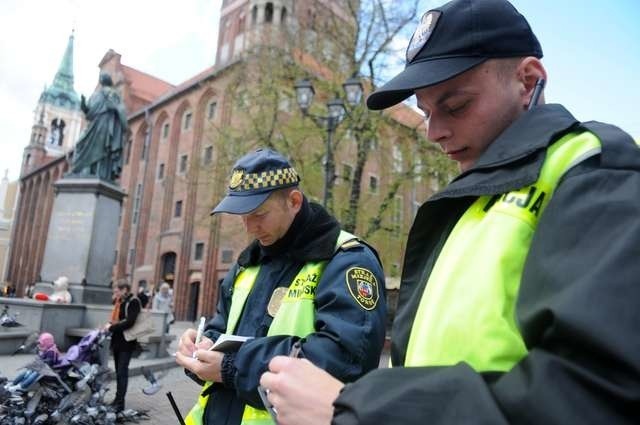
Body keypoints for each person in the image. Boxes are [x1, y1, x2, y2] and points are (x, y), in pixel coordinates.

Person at [259, 1, 640, 424]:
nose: (434, 132)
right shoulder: (467, 201)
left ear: (528, 80)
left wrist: (358, 411)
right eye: (426, 112)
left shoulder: (593, 169)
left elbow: (597, 393)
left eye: (456, 106)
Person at [175, 148, 387, 425]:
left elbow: (345, 359)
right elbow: (221, 329)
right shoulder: (246, 264)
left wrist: (231, 367)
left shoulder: (346, 260)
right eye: (243, 216)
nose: (250, 228)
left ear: (294, 201)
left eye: (259, 214)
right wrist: (201, 349)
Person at [71, 72, 127, 182]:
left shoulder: (113, 93)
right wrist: (84, 106)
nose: (101, 80)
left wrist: (114, 108)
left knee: (102, 148)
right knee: (80, 144)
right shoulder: (96, 95)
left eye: (102, 78)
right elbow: (89, 112)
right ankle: (83, 171)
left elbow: (119, 108)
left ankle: (99, 172)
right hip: (94, 124)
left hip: (104, 123)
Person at [104, 281, 141, 412]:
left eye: (117, 291)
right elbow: (117, 319)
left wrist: (111, 327)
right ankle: (117, 400)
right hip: (117, 341)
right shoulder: (120, 302)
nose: (115, 293)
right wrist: (110, 325)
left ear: (125, 289)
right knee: (119, 372)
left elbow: (130, 322)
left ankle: (120, 403)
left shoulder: (133, 301)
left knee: (122, 372)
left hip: (127, 343)